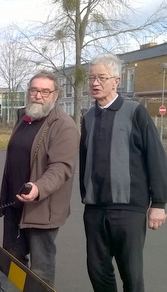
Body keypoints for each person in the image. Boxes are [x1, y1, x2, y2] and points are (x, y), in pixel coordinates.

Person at [80, 53, 167, 292]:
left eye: (101, 78)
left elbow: (156, 157)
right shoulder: (87, 118)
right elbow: (84, 159)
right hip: (95, 209)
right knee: (97, 272)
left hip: (128, 208)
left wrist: (159, 203)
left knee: (131, 274)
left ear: (116, 81)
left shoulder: (135, 112)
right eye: (91, 78)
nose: (95, 83)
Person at [0, 70, 80, 287]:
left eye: (45, 91)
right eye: (34, 90)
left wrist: (38, 188)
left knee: (40, 272)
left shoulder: (64, 126)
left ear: (56, 95)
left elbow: (61, 167)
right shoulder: (24, 119)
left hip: (41, 208)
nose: (38, 95)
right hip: (15, 205)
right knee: (12, 263)